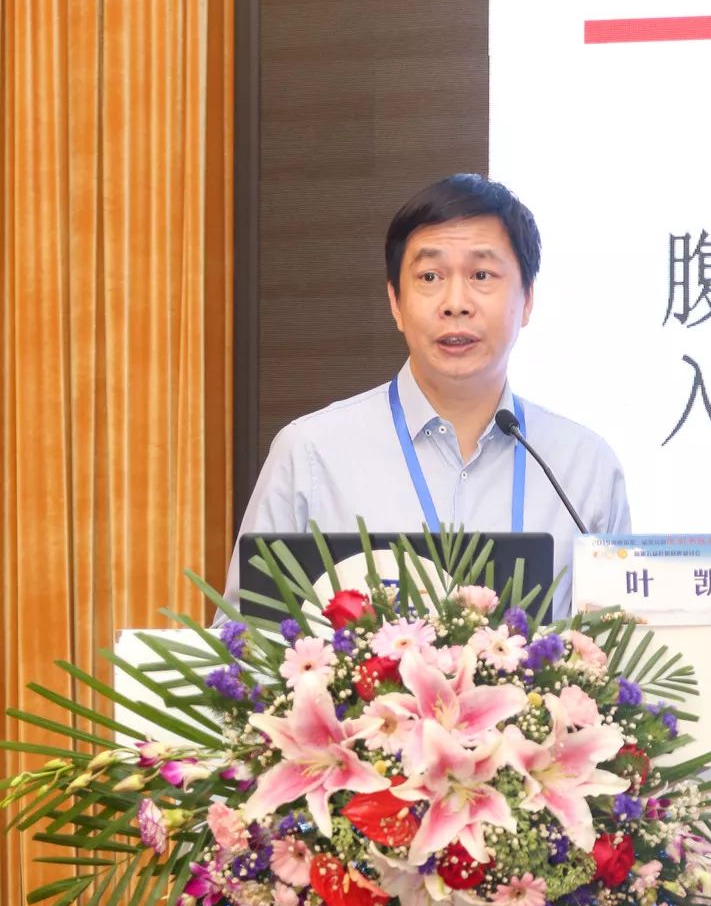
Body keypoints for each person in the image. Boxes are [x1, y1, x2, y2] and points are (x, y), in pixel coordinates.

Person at [225, 173, 631, 614]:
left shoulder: (584, 468)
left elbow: (624, 645)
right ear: (396, 302)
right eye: (430, 276)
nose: (456, 302)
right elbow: (240, 641)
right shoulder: (311, 455)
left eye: (481, 274)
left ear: (527, 299)